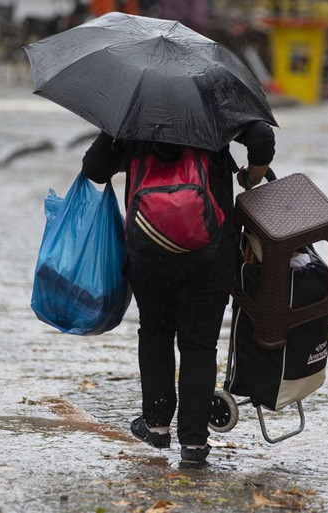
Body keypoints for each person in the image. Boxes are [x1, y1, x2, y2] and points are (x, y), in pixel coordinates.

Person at [80, 121, 275, 467]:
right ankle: (194, 442)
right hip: (210, 253)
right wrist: (251, 176)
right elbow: (261, 138)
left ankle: (155, 424)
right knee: (199, 344)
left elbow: (95, 169)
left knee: (155, 331)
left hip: (149, 250)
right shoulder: (214, 104)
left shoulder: (134, 109)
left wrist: (131, 148)